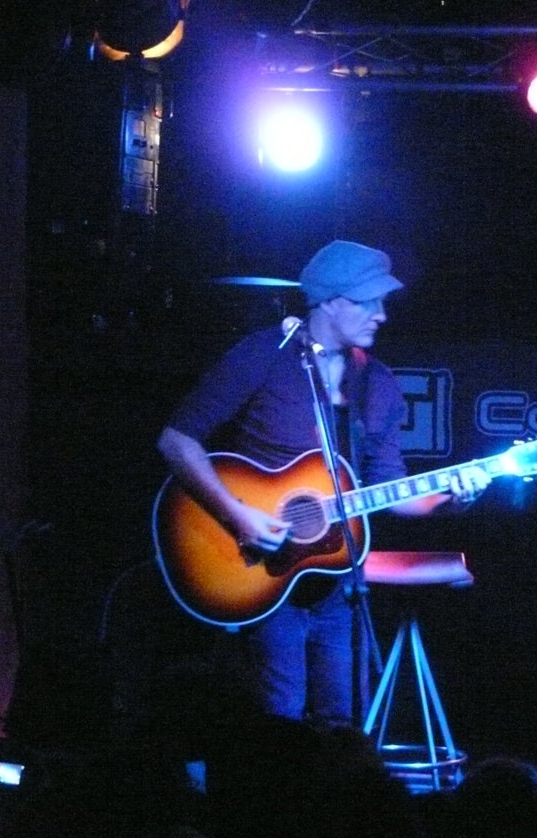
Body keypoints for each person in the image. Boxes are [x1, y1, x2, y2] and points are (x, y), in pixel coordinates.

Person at [157, 240, 488, 729]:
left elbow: (391, 493)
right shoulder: (263, 356)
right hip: (262, 574)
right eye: (367, 302)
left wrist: (450, 500)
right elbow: (176, 439)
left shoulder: (377, 384)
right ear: (329, 302)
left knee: (343, 722)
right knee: (278, 718)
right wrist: (236, 513)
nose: (381, 316)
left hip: (339, 582)